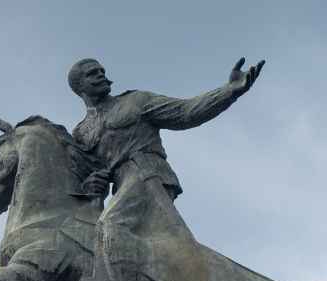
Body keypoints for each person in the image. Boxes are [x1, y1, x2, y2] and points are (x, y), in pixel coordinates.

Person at [68, 57, 265, 202]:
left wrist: (229, 90)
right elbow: (84, 179)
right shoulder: (80, 133)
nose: (101, 75)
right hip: (121, 188)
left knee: (113, 227)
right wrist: (90, 184)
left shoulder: (136, 100)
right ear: (79, 86)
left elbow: (186, 112)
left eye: (102, 71)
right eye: (92, 73)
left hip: (149, 176)